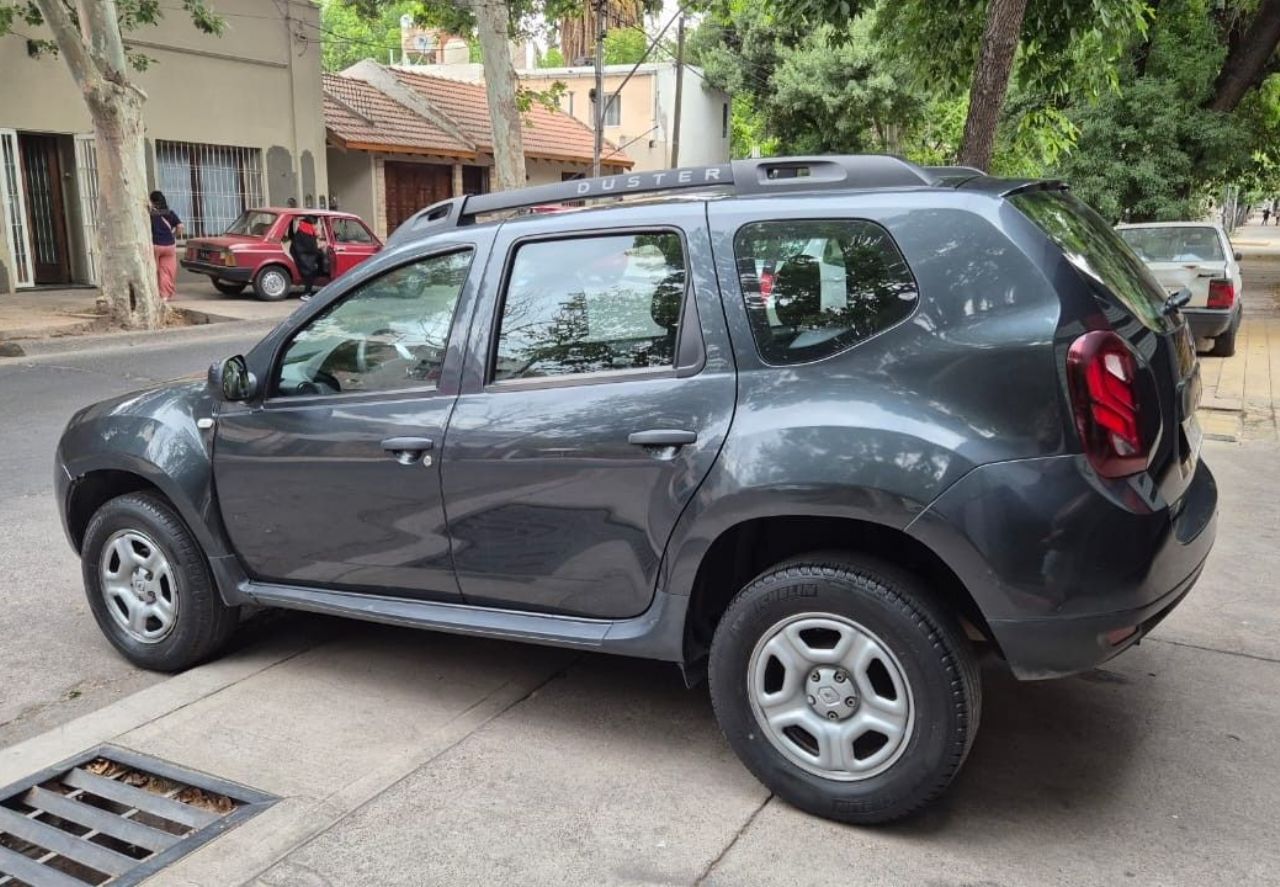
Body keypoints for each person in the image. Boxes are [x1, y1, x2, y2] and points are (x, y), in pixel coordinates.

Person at [149, 191, 183, 302]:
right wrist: (173, 236)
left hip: (155, 246)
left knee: (154, 270)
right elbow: (180, 226)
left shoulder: (150, 214)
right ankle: (164, 296)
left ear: (152, 202)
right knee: (166, 271)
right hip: (169, 246)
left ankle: (153, 294)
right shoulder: (170, 212)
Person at [290, 215, 323, 302]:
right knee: (312, 271)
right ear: (313, 224)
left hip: (299, 253)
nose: (317, 226)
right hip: (303, 257)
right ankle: (306, 293)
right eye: (316, 224)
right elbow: (312, 250)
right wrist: (321, 247)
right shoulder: (307, 234)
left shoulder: (302, 230)